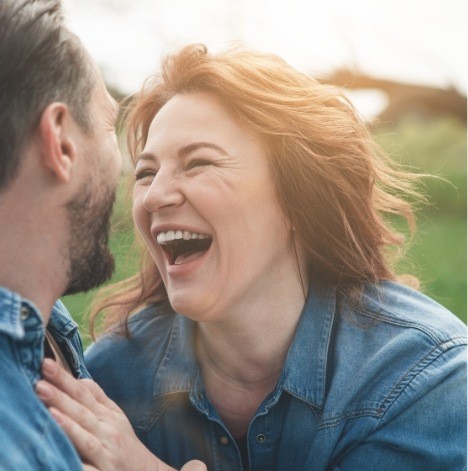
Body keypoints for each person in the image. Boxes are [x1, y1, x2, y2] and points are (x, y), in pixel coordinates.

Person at [38, 44, 467, 470]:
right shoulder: (111, 377)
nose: (155, 196)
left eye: (199, 162)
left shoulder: (421, 378)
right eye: (147, 172)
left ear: (299, 198)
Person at [0, 2, 204, 470]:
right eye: (111, 126)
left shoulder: (50, 339)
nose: (147, 192)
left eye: (197, 163)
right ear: (62, 142)